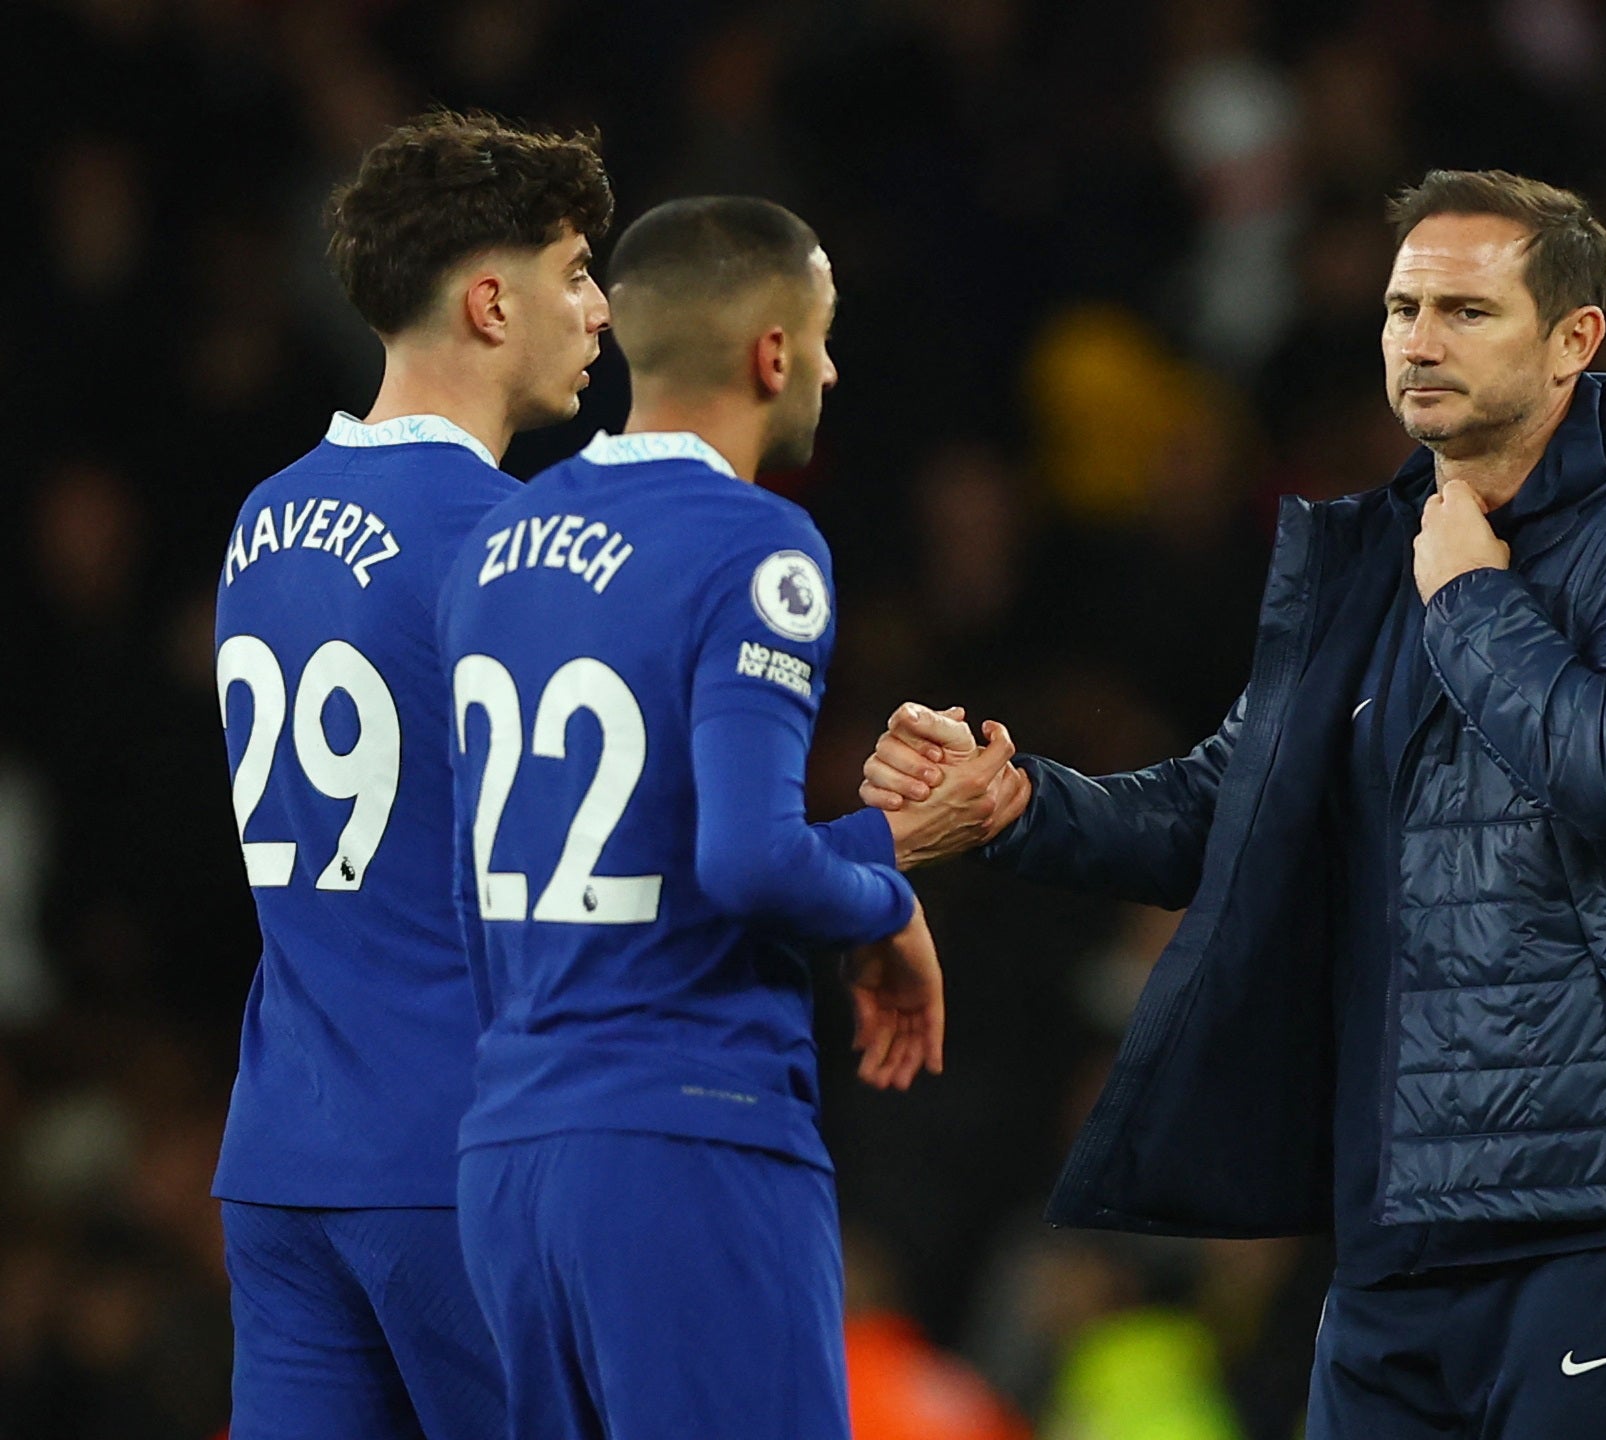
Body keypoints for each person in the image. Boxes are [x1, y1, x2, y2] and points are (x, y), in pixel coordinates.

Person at [863, 169, 1606, 1440]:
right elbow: (1225, 807)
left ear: (1572, 338)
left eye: (1464, 311)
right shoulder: (1394, 547)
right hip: (1403, 1209)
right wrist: (1021, 800)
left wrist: (1472, 602)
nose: (1417, 340)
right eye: (1399, 307)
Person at [439, 196, 1008, 1440]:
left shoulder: (496, 543)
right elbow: (748, 861)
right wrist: (891, 889)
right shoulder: (756, 548)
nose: (832, 366)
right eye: (824, 335)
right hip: (683, 1137)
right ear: (771, 352)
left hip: (508, 1153)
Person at [211, 111, 612, 1440]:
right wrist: (883, 851)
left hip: (282, 1163)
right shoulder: (516, 547)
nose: (600, 308)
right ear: (490, 302)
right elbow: (633, 869)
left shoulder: (262, 521)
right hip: (461, 1164)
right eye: (573, 271)